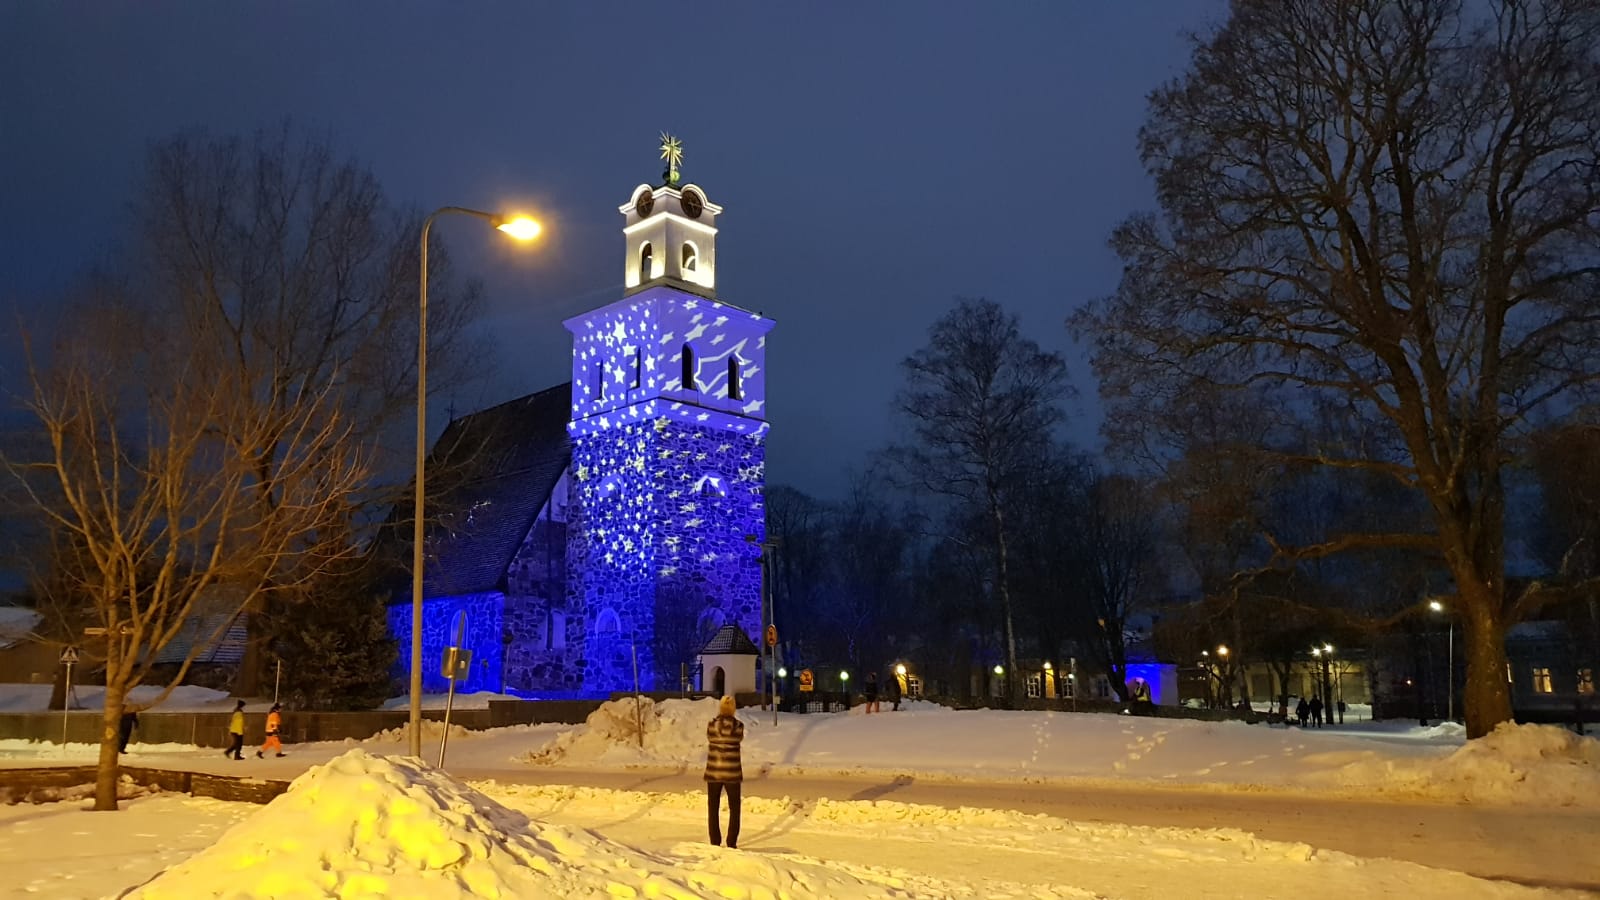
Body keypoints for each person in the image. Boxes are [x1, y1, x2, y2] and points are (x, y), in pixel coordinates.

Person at [705, 695, 745, 848]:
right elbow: (738, 739)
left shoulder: (711, 726)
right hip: (732, 773)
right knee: (735, 808)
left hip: (714, 772)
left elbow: (710, 738)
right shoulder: (738, 727)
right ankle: (731, 841)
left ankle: (715, 840)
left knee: (713, 807)